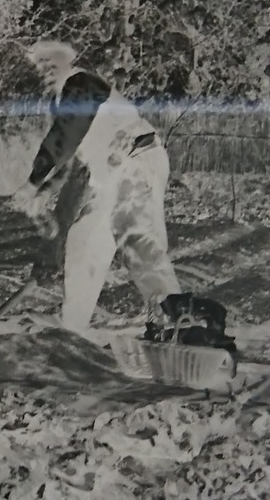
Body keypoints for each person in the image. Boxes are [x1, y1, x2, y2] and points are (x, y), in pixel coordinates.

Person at [14, 40, 181, 334]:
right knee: (86, 239)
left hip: (135, 162)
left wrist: (32, 181)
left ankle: (177, 326)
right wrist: (44, 190)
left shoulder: (81, 82)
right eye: (40, 67)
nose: (45, 71)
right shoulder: (65, 99)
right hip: (114, 172)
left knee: (139, 245)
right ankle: (71, 324)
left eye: (51, 64)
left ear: (68, 63)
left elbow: (65, 136)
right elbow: (71, 158)